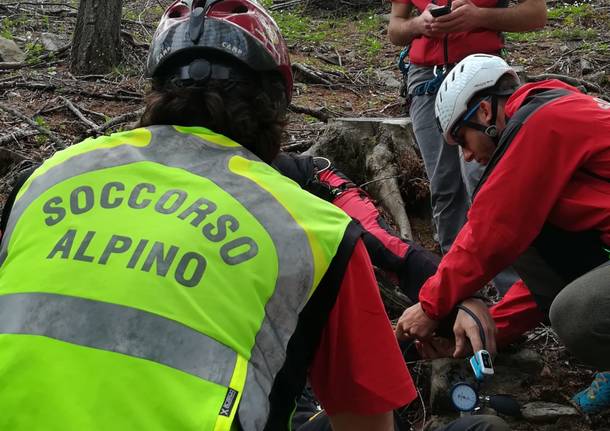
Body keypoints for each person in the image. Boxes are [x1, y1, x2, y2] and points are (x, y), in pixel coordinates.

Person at [0, 2, 511, 430]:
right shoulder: (312, 225)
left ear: (155, 93)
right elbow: (369, 420)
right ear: (276, 106)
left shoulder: (44, 179)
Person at [396, 54, 610, 414]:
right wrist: (488, 326)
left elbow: (490, 231)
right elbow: (551, 278)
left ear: (483, 112)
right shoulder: (547, 114)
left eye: (462, 140)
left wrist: (430, 307)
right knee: (543, 257)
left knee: (578, 315)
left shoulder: (544, 123)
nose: (465, 156)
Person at [387, 0, 546, 293]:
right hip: (427, 80)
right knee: (444, 187)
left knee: (488, 183)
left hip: (483, 79)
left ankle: (515, 290)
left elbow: (536, 14)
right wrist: (418, 25)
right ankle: (459, 288)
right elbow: (395, 28)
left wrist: (478, 17)